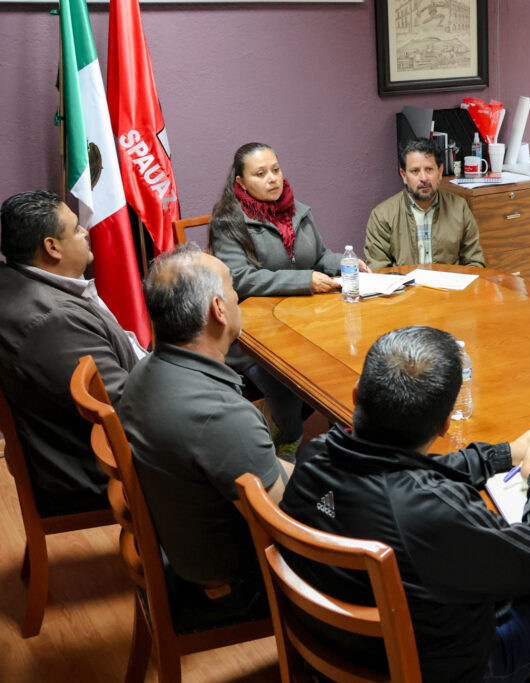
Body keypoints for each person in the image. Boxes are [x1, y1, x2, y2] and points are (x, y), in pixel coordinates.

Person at [280, 326, 530, 682]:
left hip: (337, 644)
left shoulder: (315, 455)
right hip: (433, 669)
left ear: (356, 394)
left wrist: (503, 455)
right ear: (445, 425)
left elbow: (401, 467)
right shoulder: (431, 513)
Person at [120, 244, 292, 622]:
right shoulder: (221, 416)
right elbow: (288, 529)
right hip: (238, 588)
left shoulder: (144, 372)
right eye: (232, 288)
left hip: (184, 547)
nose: (237, 296)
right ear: (218, 309)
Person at [210, 142, 363, 459]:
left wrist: (345, 263)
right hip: (253, 336)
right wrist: (303, 281)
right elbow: (239, 278)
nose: (272, 179)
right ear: (240, 182)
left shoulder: (299, 212)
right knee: (291, 378)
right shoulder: (228, 222)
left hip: (305, 323)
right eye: (260, 174)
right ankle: (286, 442)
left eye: (276, 170)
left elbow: (318, 257)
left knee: (345, 361)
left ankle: (344, 441)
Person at [0, 190, 145, 515]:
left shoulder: (22, 281)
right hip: (100, 468)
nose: (85, 232)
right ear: (52, 247)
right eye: (76, 228)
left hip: (84, 446)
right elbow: (124, 408)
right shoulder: (53, 323)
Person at [364, 138, 486, 271]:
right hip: (404, 285)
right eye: (415, 171)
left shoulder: (459, 208)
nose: (423, 178)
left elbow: (474, 264)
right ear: (404, 176)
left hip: (449, 284)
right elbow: (378, 271)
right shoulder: (383, 215)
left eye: (429, 169)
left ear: (440, 172)